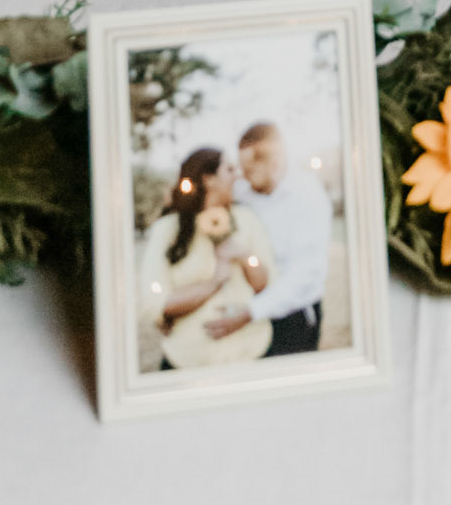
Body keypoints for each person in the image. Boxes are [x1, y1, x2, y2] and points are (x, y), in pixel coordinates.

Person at [139, 149, 276, 370]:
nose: (237, 175)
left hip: (251, 353)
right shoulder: (168, 229)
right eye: (229, 169)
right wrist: (214, 283)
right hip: (190, 360)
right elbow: (155, 303)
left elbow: (265, 285)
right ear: (208, 179)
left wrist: (243, 255)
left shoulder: (247, 219)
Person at [207, 121, 332, 356]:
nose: (243, 177)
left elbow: (306, 274)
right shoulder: (243, 192)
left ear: (274, 162)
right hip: (248, 310)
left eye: (250, 169)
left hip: (293, 317)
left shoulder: (307, 195)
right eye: (241, 168)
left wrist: (250, 312)